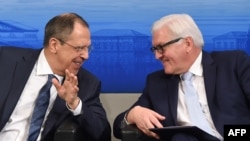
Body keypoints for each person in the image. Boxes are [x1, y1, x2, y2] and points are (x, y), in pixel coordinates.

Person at [113, 13, 250, 141]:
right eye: (155, 50)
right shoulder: (157, 83)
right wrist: (131, 115)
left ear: (187, 44)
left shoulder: (233, 64)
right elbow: (118, 128)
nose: (157, 56)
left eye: (161, 48)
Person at [0, 12, 111, 141]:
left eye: (88, 48)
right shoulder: (6, 60)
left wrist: (75, 103)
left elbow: (103, 134)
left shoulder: (87, 84)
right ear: (54, 45)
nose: (86, 56)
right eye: (79, 48)